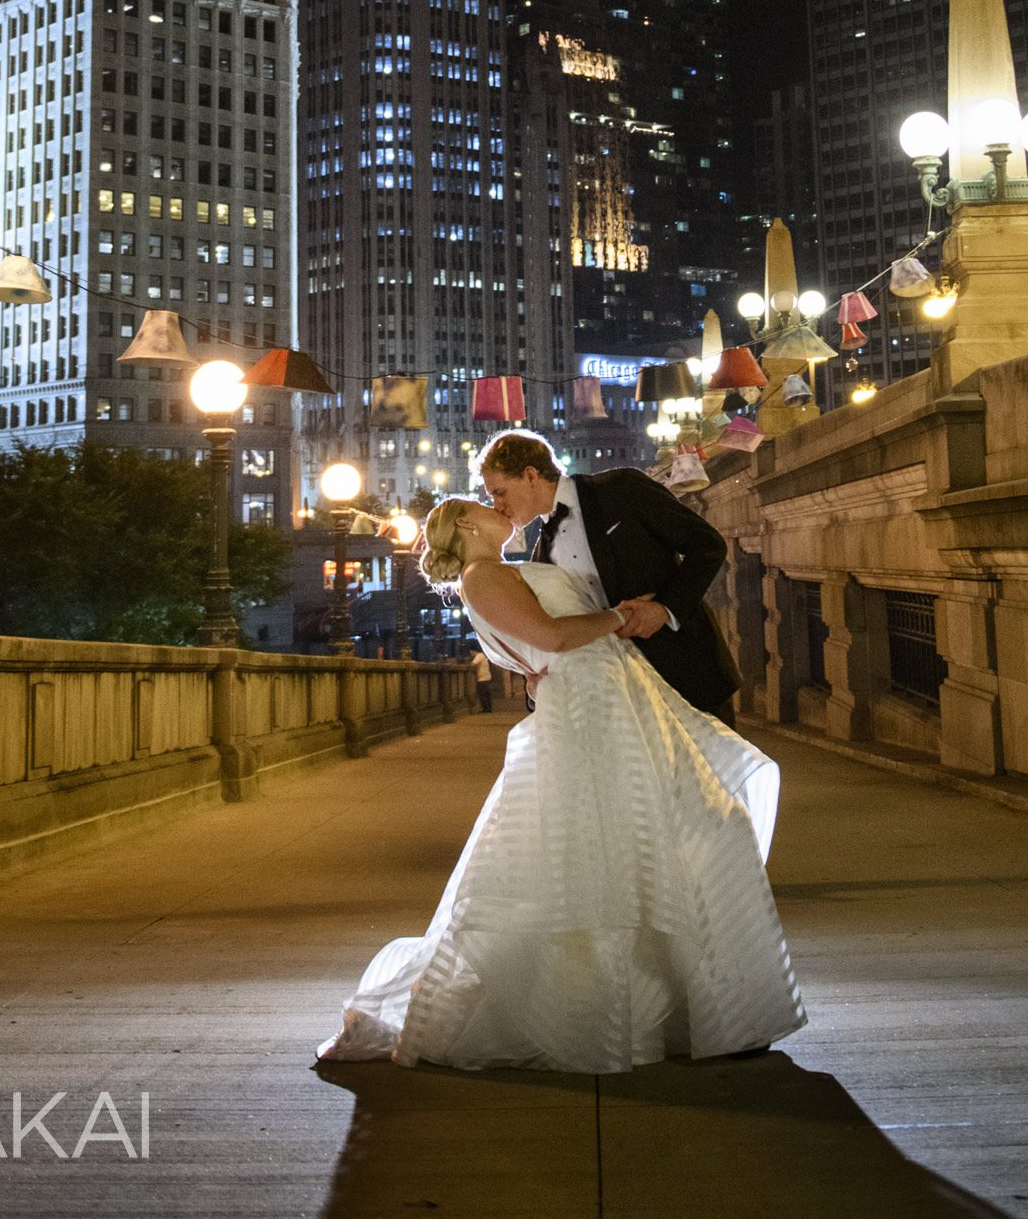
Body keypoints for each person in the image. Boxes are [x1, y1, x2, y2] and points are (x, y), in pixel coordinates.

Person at [315, 496, 805, 1072]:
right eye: (487, 504)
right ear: (467, 524)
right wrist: (621, 618)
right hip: (590, 712)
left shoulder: (506, 569)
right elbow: (547, 637)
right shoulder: (483, 575)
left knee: (682, 834)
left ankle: (690, 1007)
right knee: (615, 851)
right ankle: (626, 1012)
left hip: (617, 699)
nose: (501, 507)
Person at [478, 430, 741, 726]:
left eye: (499, 492)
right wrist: (534, 687)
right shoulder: (541, 557)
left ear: (530, 475)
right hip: (624, 706)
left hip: (687, 674)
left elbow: (707, 545)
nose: (497, 506)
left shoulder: (621, 488)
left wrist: (664, 609)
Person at [469, 645, 493, 713]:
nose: (470, 653)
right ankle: (489, 708)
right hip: (487, 677)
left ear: (474, 650)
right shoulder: (483, 655)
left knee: (482, 694)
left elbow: (473, 664)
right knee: (487, 694)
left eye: (471, 651)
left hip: (482, 678)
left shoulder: (479, 656)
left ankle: (486, 709)